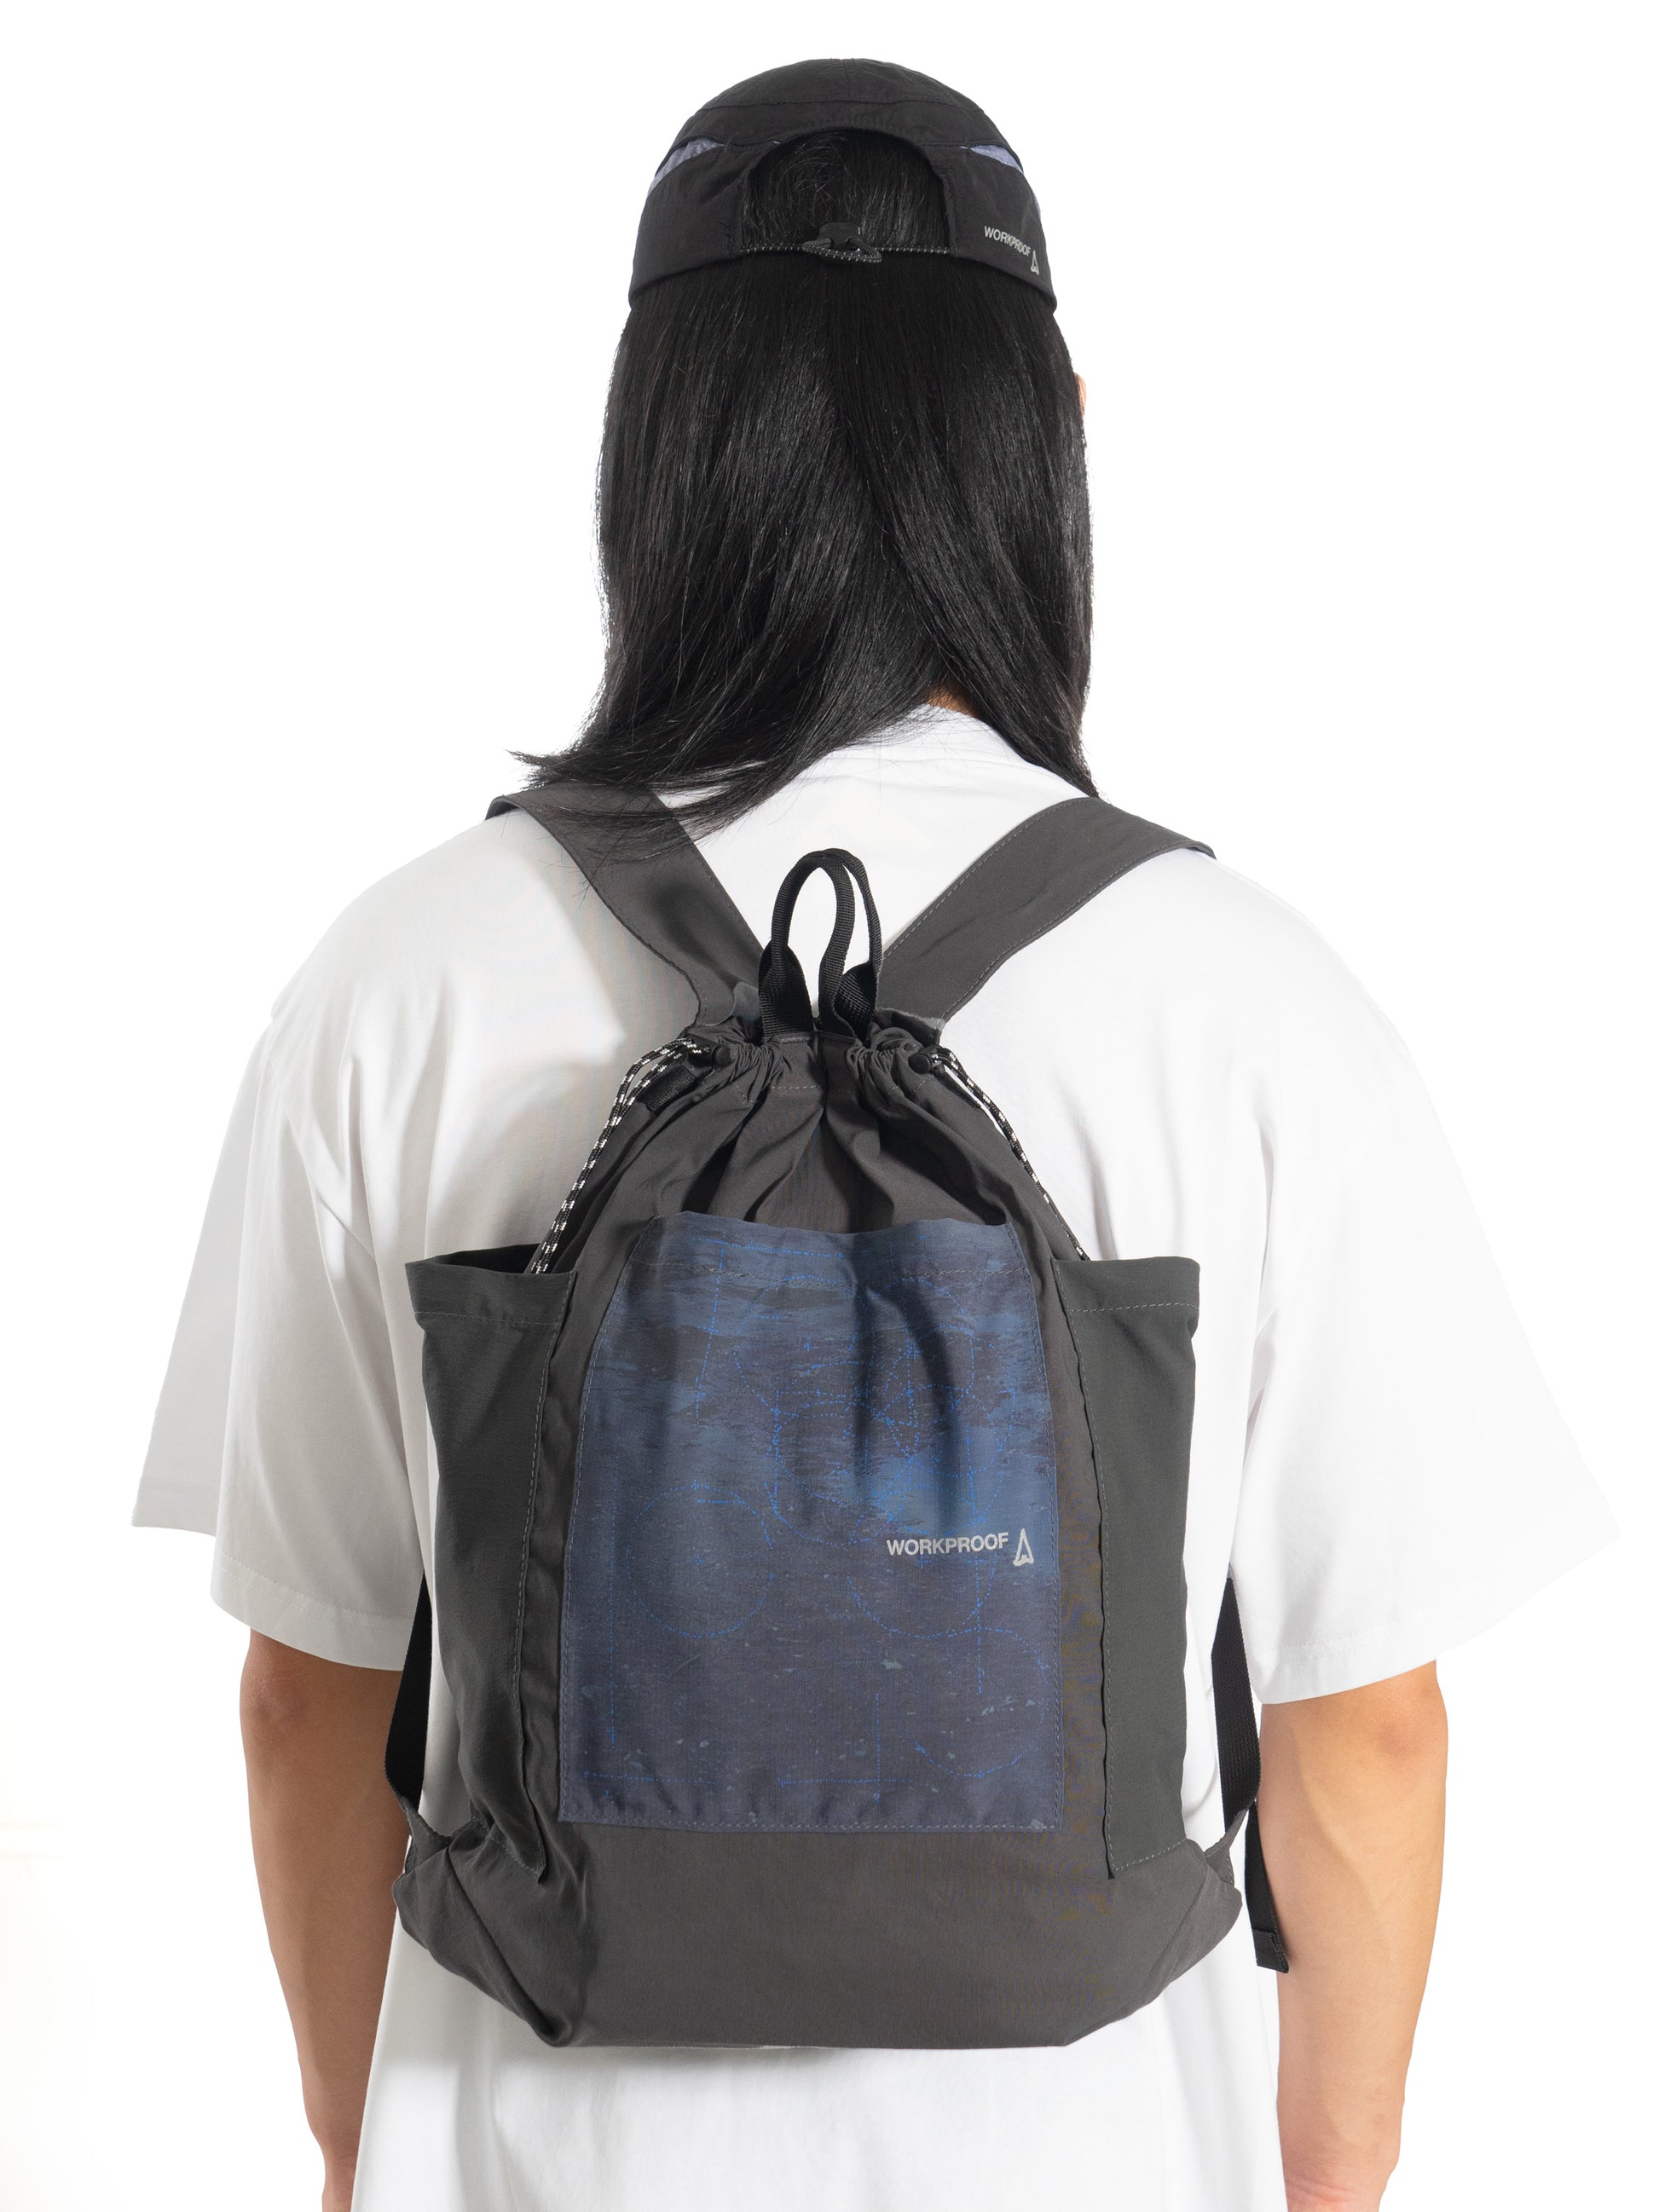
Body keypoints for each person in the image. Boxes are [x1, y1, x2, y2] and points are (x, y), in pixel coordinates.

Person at [135, 58, 1611, 2212]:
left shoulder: (400, 976)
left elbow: (306, 1689)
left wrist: (369, 2144)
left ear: (651, 451)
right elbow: (1365, 1725)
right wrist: (1329, 2176)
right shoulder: (1250, 998)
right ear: (1051, 443)